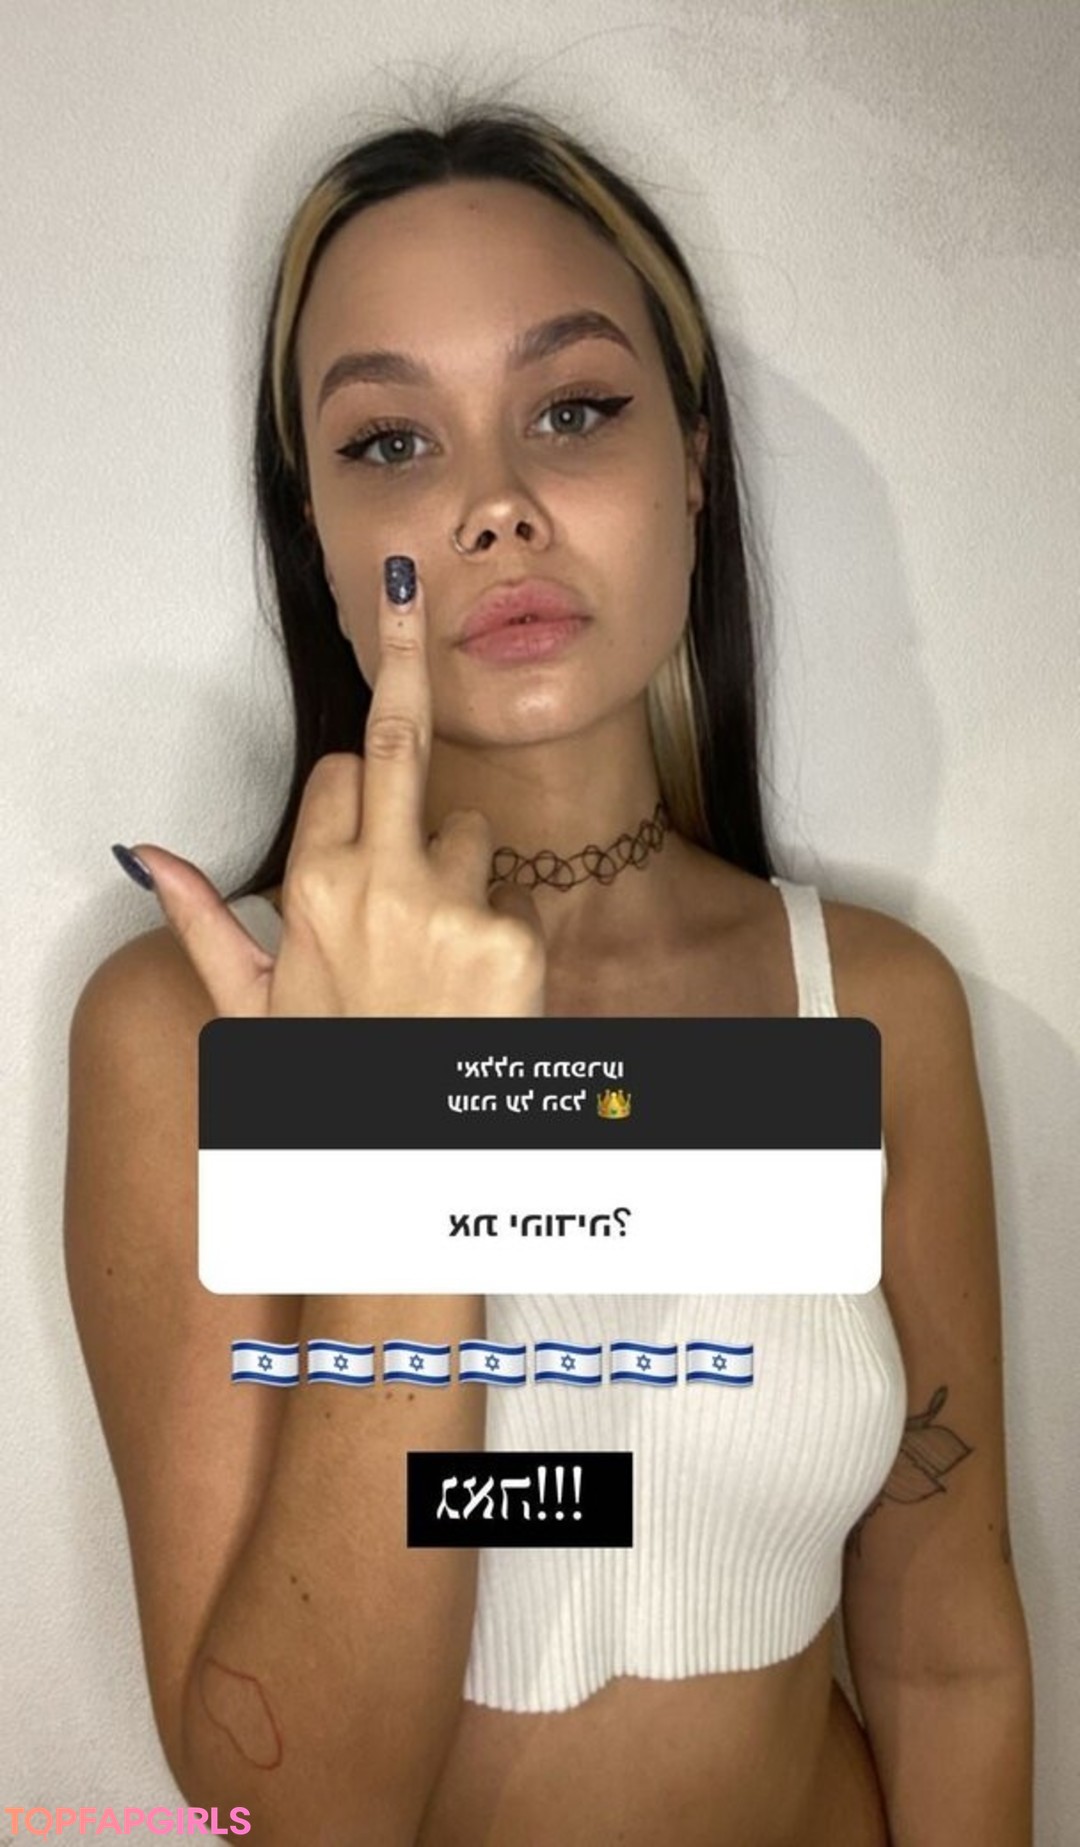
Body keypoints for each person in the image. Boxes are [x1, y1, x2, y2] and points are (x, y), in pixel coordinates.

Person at [65, 98, 1034, 1846]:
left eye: (573, 411)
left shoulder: (872, 1010)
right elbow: (288, 1810)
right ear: (315, 534)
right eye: (390, 442)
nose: (497, 505)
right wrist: (389, 1137)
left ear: (694, 461)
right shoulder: (188, 1030)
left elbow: (949, 1657)